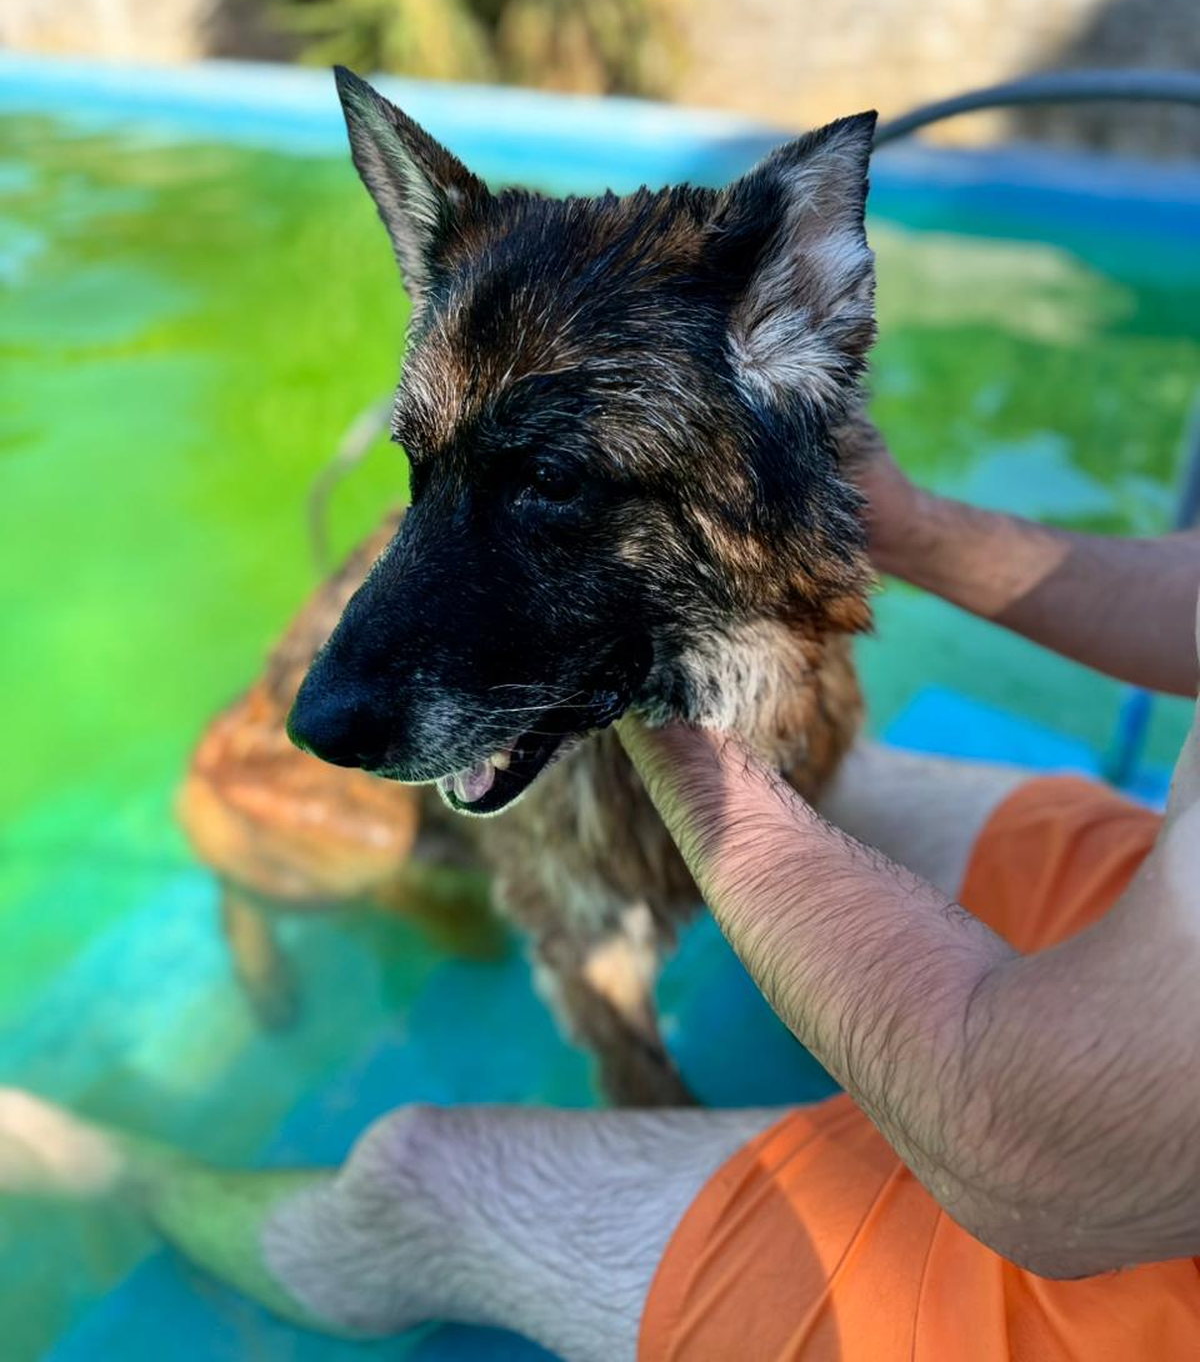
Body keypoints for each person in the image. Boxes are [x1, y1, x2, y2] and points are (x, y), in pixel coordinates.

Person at [5, 437, 1200, 1361]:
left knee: (417, 1175)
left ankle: (123, 1174)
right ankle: (265, 904)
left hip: (1123, 1259)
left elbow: (1040, 1161)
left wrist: (642, 688)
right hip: (1170, 899)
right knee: (851, 776)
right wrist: (917, 523)